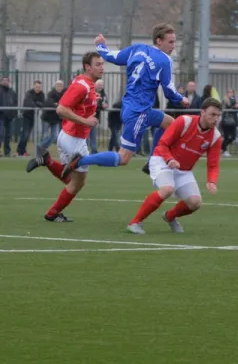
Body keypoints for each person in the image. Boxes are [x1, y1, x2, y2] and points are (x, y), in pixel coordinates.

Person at [59, 23, 190, 180]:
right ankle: (80, 160)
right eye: (170, 42)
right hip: (139, 112)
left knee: (170, 124)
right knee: (123, 158)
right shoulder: (164, 60)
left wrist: (100, 45)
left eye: (174, 42)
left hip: (131, 107)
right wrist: (181, 99)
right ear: (159, 41)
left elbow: (111, 57)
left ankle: (152, 161)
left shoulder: (137, 49)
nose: (173, 46)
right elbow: (168, 90)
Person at [25, 52, 104, 222]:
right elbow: (61, 109)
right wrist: (86, 121)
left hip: (67, 135)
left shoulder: (85, 83)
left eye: (102, 64)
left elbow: (77, 102)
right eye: (98, 64)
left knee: (71, 180)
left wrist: (92, 99)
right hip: (74, 139)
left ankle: (47, 160)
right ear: (87, 67)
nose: (102, 67)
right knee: (77, 183)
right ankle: (52, 214)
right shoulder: (82, 86)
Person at [127, 98, 223, 234]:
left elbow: (213, 164)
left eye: (218, 115)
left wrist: (212, 181)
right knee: (168, 188)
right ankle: (135, 222)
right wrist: (169, 159)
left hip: (184, 170)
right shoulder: (184, 121)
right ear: (202, 112)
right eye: (212, 114)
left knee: (195, 203)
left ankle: (169, 217)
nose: (216, 119)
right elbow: (163, 144)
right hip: (161, 160)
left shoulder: (216, 137)